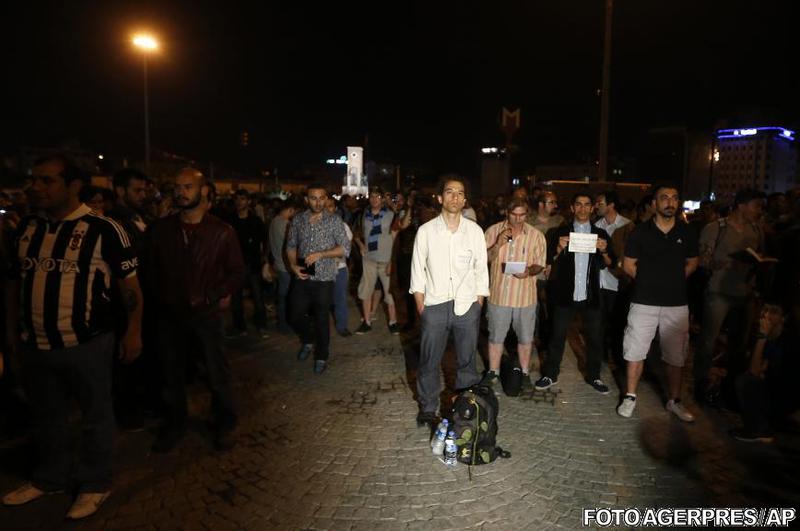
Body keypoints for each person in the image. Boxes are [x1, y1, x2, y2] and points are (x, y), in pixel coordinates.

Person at [2, 155, 143, 519]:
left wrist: (133, 331)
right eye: (34, 180)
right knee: (47, 414)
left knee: (96, 414)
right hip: (36, 343)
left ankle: (95, 482)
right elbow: (14, 284)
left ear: (73, 186)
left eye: (46, 181)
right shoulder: (27, 227)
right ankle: (51, 477)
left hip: (87, 344)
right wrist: (12, 335)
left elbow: (130, 288)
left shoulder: (104, 229)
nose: (36, 187)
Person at [145, 168, 245, 452]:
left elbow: (237, 272)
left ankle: (224, 422)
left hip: (207, 316)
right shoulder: (160, 230)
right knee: (171, 373)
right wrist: (160, 298)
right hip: (169, 315)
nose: (181, 192)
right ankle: (175, 423)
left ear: (203, 191)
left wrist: (214, 294)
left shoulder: (223, 232)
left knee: (216, 372)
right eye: (177, 187)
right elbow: (149, 271)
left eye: (188, 187)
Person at [410, 178, 489, 426]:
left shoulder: (474, 231)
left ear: (465, 200)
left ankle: (465, 406)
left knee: (467, 361)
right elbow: (417, 270)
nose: (455, 197)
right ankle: (428, 406)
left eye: (460, 193)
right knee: (429, 361)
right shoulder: (426, 231)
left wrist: (478, 302)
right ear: (440, 198)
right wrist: (421, 305)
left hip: (467, 305)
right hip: (434, 304)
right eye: (450, 192)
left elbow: (481, 269)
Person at [617, 184, 699, 421]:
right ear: (654, 203)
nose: (670, 202)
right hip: (644, 302)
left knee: (676, 356)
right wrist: (648, 281)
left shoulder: (687, 232)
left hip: (676, 304)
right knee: (635, 350)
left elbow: (693, 262)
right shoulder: (640, 232)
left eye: (674, 198)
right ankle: (630, 396)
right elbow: (628, 264)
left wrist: (673, 280)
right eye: (664, 198)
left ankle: (675, 401)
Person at [534, 192, 614, 394]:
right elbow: (548, 262)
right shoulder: (558, 232)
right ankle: (550, 374)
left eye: (587, 204)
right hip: (564, 294)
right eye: (578, 204)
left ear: (592, 208)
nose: (582, 208)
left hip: (591, 295)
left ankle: (594, 376)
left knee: (594, 338)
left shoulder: (601, 234)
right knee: (557, 336)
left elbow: (608, 264)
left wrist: (603, 251)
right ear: (572, 208)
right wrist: (558, 249)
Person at [695, 188, 765, 403]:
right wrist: (727, 263)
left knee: (739, 344)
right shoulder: (716, 228)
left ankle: (730, 389)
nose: (759, 211)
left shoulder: (756, 230)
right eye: (756, 206)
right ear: (742, 205)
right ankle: (701, 385)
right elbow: (703, 260)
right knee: (709, 341)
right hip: (719, 292)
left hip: (744, 293)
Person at [481, 198, 546, 387]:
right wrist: (497, 245)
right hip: (499, 295)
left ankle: (524, 373)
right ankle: (493, 372)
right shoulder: (493, 231)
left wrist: (528, 271)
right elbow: (482, 259)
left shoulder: (536, 235)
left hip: (525, 297)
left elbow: (540, 264)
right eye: (514, 215)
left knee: (525, 338)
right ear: (507, 212)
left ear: (527, 214)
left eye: (522, 215)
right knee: (495, 336)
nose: (518, 219)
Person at [286, 184, 350, 374]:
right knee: (294, 315)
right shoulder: (298, 220)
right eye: (313, 198)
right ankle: (308, 339)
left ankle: (322, 355)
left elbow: (345, 248)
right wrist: (292, 265)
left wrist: (322, 254)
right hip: (303, 274)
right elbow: (290, 246)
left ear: (326, 198)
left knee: (322, 318)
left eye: (321, 198)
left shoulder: (334, 221)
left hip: (324, 277)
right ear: (306, 200)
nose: (318, 202)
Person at [106, 168, 151, 432]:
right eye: (137, 190)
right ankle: (127, 411)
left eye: (144, 190)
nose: (143, 195)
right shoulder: (114, 223)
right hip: (123, 302)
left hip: (143, 298)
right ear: (120, 191)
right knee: (127, 359)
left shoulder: (138, 217)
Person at [353, 186, 398, 334]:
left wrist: (392, 260)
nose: (374, 199)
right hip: (369, 259)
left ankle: (393, 322)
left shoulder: (391, 215)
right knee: (366, 290)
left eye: (378, 196)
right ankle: (366, 322)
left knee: (389, 292)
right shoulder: (363, 215)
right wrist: (360, 245)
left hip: (385, 260)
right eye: (372, 196)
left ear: (383, 199)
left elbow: (395, 237)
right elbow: (357, 234)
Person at [594, 191, 631, 366]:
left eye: (600, 203)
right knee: (598, 323)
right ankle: (600, 357)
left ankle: (618, 358)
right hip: (599, 281)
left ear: (611, 205)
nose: (596, 206)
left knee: (617, 324)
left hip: (618, 283)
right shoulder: (596, 225)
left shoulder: (627, 226)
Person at [227, 189, 268, 338]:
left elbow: (265, 239)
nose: (239, 202)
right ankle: (240, 327)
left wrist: (264, 258)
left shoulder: (256, 221)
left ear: (248, 201)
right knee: (236, 299)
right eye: (237, 199)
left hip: (253, 264)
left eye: (243, 199)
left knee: (257, 297)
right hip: (235, 266)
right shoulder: (230, 221)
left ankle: (262, 325)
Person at [268, 200, 297, 333]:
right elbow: (291, 246)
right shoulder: (286, 224)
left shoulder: (274, 221)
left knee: (281, 296)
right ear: (290, 210)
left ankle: (282, 322)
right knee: (286, 297)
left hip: (277, 264)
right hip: (285, 266)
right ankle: (284, 324)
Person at [326, 197, 353, 337]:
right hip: (321, 269)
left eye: (330, 206)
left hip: (340, 268)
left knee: (340, 299)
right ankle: (322, 328)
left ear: (335, 208)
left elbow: (345, 248)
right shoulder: (313, 225)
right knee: (320, 300)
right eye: (325, 206)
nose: (327, 209)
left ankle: (341, 326)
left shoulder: (343, 226)